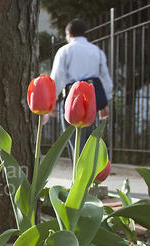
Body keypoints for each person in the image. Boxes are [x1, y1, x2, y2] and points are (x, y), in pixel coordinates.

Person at [50, 18, 113, 160]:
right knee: (88, 141)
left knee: (74, 142)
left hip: (72, 99)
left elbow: (57, 78)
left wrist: (52, 104)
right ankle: (89, 174)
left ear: (69, 33)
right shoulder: (97, 51)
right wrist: (105, 102)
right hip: (92, 100)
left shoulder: (65, 51)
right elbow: (105, 78)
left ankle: (78, 178)